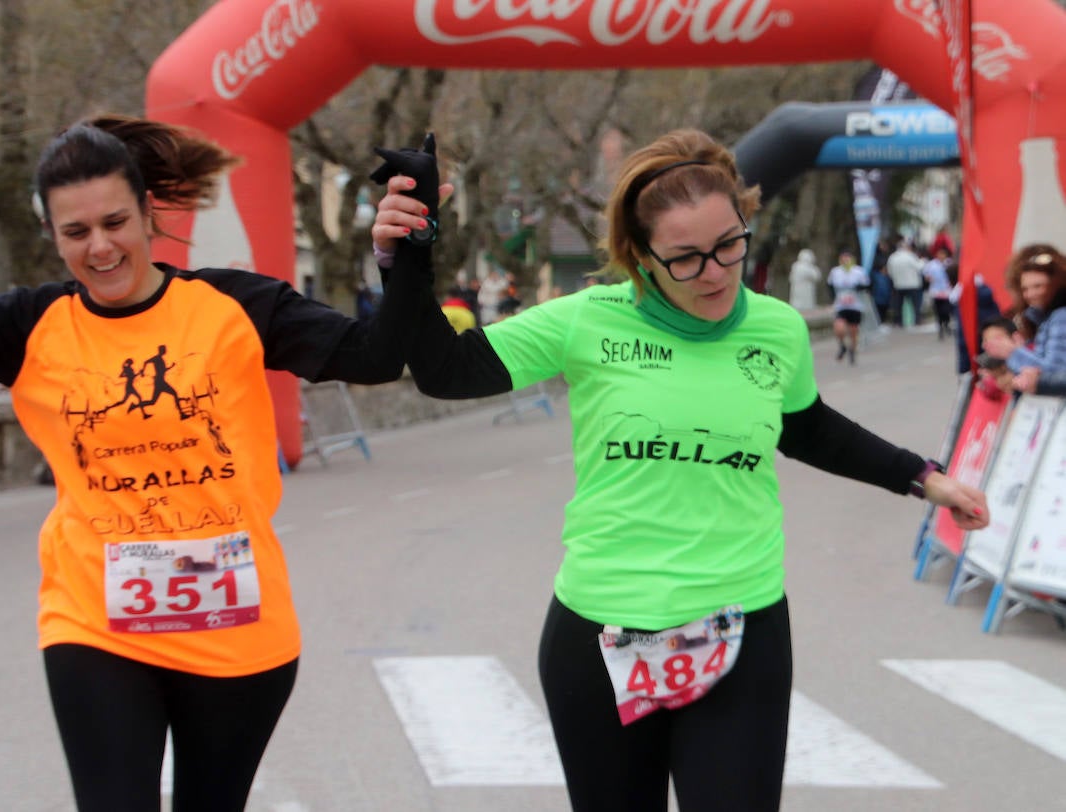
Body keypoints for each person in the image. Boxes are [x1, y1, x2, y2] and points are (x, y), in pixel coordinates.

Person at [0, 116, 428, 812]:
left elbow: (377, 356)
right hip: (96, 621)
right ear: (52, 236)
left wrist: (404, 256)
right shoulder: (29, 326)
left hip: (237, 621)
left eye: (115, 222)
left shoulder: (233, 306)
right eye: (76, 232)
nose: (100, 248)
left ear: (150, 212)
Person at [370, 128, 989, 812]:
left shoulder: (778, 330)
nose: (717, 271)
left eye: (730, 245)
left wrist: (927, 479)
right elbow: (444, 370)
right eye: (687, 258)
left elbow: (805, 427)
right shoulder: (588, 320)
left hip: (741, 626)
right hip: (599, 634)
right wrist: (407, 260)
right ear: (641, 257)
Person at [982, 243, 1066, 393]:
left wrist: (1013, 353)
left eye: (1038, 286)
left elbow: (1054, 373)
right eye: (1025, 288)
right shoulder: (1043, 318)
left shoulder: (1059, 317)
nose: (1031, 294)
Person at [827, 250, 868, 364]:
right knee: (839, 328)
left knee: (853, 331)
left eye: (847, 259)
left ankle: (852, 350)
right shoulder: (835, 272)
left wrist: (859, 287)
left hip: (855, 306)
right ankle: (842, 346)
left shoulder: (858, 271)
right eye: (843, 259)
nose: (845, 261)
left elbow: (867, 285)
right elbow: (830, 286)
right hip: (841, 305)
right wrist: (833, 297)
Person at [884, 240, 924, 327]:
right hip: (913, 284)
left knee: (898, 305)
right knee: (916, 304)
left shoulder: (892, 257)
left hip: (898, 284)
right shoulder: (911, 256)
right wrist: (923, 261)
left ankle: (899, 321)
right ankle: (917, 320)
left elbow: (890, 272)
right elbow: (919, 267)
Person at [922, 246, 954, 339]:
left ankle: (947, 324)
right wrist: (928, 279)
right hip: (936, 291)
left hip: (947, 291)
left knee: (946, 310)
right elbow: (926, 275)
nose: (941, 256)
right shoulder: (932, 264)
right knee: (938, 310)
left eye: (943, 254)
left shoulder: (949, 263)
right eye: (939, 254)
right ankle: (940, 327)